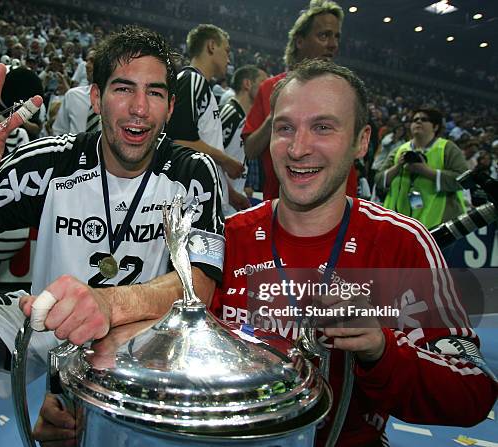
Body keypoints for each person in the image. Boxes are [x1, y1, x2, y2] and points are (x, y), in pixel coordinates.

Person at [0, 26, 224, 446]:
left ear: (170, 105)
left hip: (138, 337)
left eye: (155, 93)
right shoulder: (53, 160)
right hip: (42, 318)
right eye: (124, 89)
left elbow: (200, 284)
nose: (140, 108)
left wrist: (107, 303)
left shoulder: (192, 171)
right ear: (96, 97)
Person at [210, 59, 497, 446]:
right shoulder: (230, 236)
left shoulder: (401, 243)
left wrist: (380, 349)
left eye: (323, 127)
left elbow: (472, 393)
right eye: (285, 128)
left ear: (361, 141)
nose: (298, 148)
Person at [243, 0, 358, 201]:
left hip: (338, 211)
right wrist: (276, 117)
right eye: (324, 35)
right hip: (282, 209)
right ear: (300, 41)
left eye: (336, 37)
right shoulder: (270, 87)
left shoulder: (345, 91)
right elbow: (250, 150)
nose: (333, 44)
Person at [166, 23, 244, 215]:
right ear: (211, 46)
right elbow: (180, 139)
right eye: (226, 50)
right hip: (192, 200)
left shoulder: (202, 86)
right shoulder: (192, 80)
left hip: (205, 197)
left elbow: (205, 142)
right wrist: (226, 160)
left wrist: (229, 191)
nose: (229, 58)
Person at [376, 108, 467, 229]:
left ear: (435, 127)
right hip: (397, 222)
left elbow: (463, 179)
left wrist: (425, 171)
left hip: (437, 224)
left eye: (424, 119)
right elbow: (379, 180)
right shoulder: (400, 149)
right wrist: (397, 167)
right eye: (415, 120)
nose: (418, 122)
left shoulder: (447, 148)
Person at [219, 64, 267, 215]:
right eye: (263, 82)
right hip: (220, 204)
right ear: (248, 84)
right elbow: (208, 159)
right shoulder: (230, 114)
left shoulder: (245, 119)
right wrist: (231, 192)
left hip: (231, 204)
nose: (267, 87)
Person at [51, 49, 101, 135]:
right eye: (87, 61)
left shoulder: (118, 100)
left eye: (92, 61)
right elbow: (59, 132)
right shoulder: (72, 95)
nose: (87, 65)